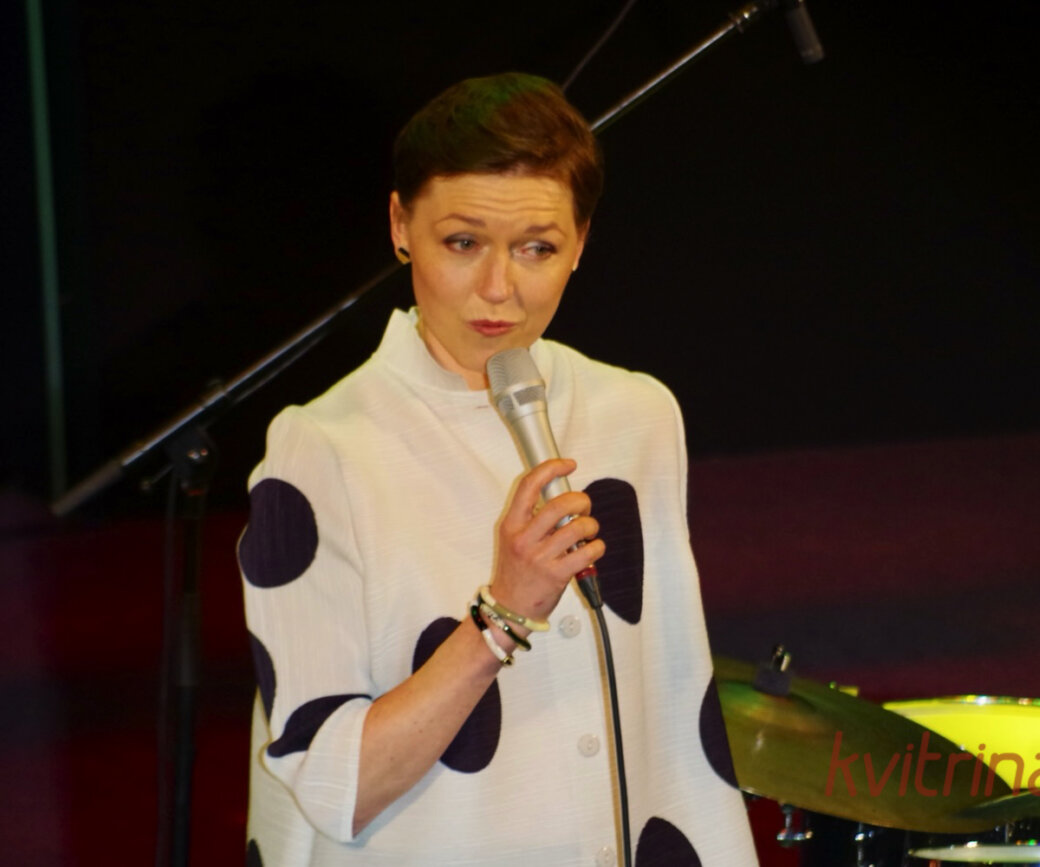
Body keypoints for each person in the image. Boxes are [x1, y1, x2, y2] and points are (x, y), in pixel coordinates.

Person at [238, 72, 758, 866]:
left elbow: (669, 718)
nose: (497, 288)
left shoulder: (637, 414)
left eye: (536, 248)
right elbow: (336, 786)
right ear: (399, 225)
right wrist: (502, 615)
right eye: (463, 242)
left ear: (581, 242)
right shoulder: (323, 448)